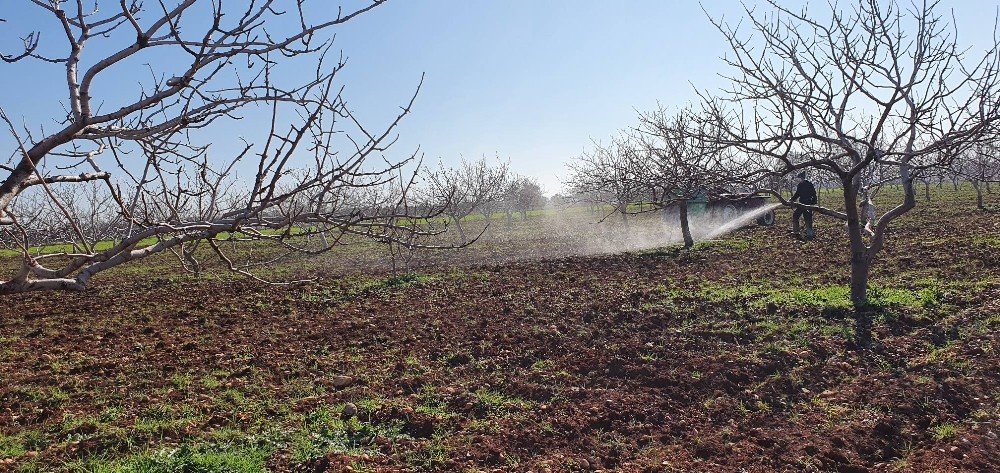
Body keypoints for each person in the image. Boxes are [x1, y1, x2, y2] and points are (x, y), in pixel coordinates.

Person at [790, 172, 817, 240]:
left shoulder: (809, 184)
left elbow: (814, 194)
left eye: (798, 178)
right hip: (801, 204)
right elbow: (797, 194)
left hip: (808, 203)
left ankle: (810, 234)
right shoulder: (799, 185)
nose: (797, 180)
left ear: (801, 178)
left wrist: (813, 204)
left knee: (808, 219)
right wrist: (792, 199)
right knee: (795, 215)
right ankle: (796, 231)